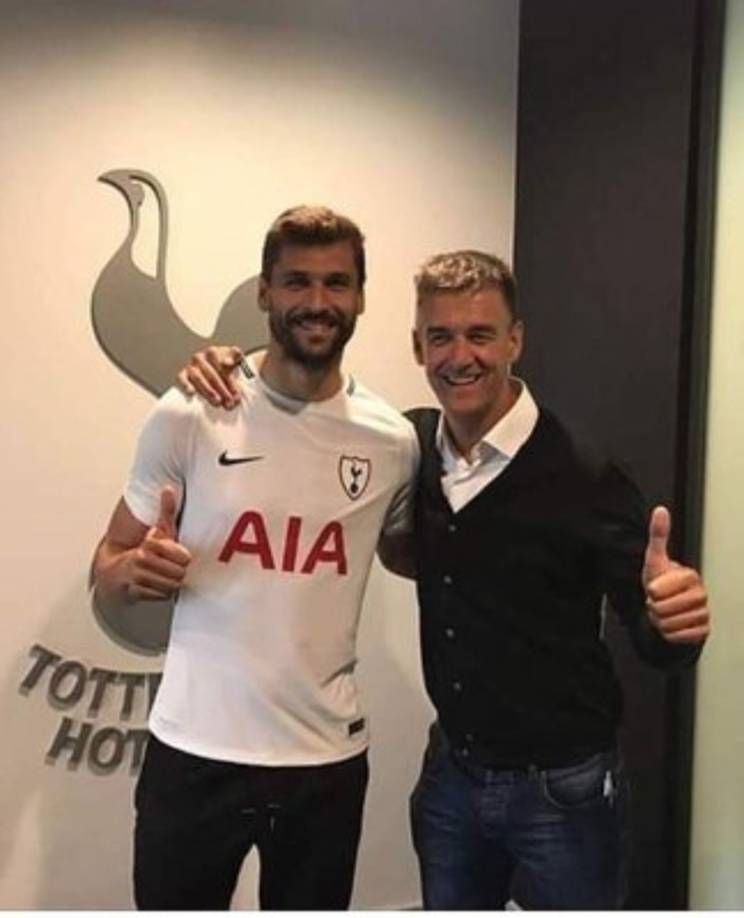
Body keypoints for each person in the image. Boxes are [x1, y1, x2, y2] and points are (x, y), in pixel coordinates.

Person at [177, 250, 710, 910]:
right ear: (418, 346)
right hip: (453, 780)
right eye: (441, 337)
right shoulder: (412, 444)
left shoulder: (584, 472)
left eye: (481, 334)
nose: (461, 356)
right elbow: (313, 419)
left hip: (564, 793)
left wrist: (672, 620)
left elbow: (660, 636)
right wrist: (227, 366)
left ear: (515, 340)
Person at [92, 205, 419, 910]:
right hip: (194, 756)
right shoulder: (190, 412)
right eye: (297, 281)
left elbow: (410, 551)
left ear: (361, 297)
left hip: (324, 765)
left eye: (336, 283)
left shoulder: (393, 442)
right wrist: (130, 572)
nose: (317, 301)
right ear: (266, 292)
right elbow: (108, 564)